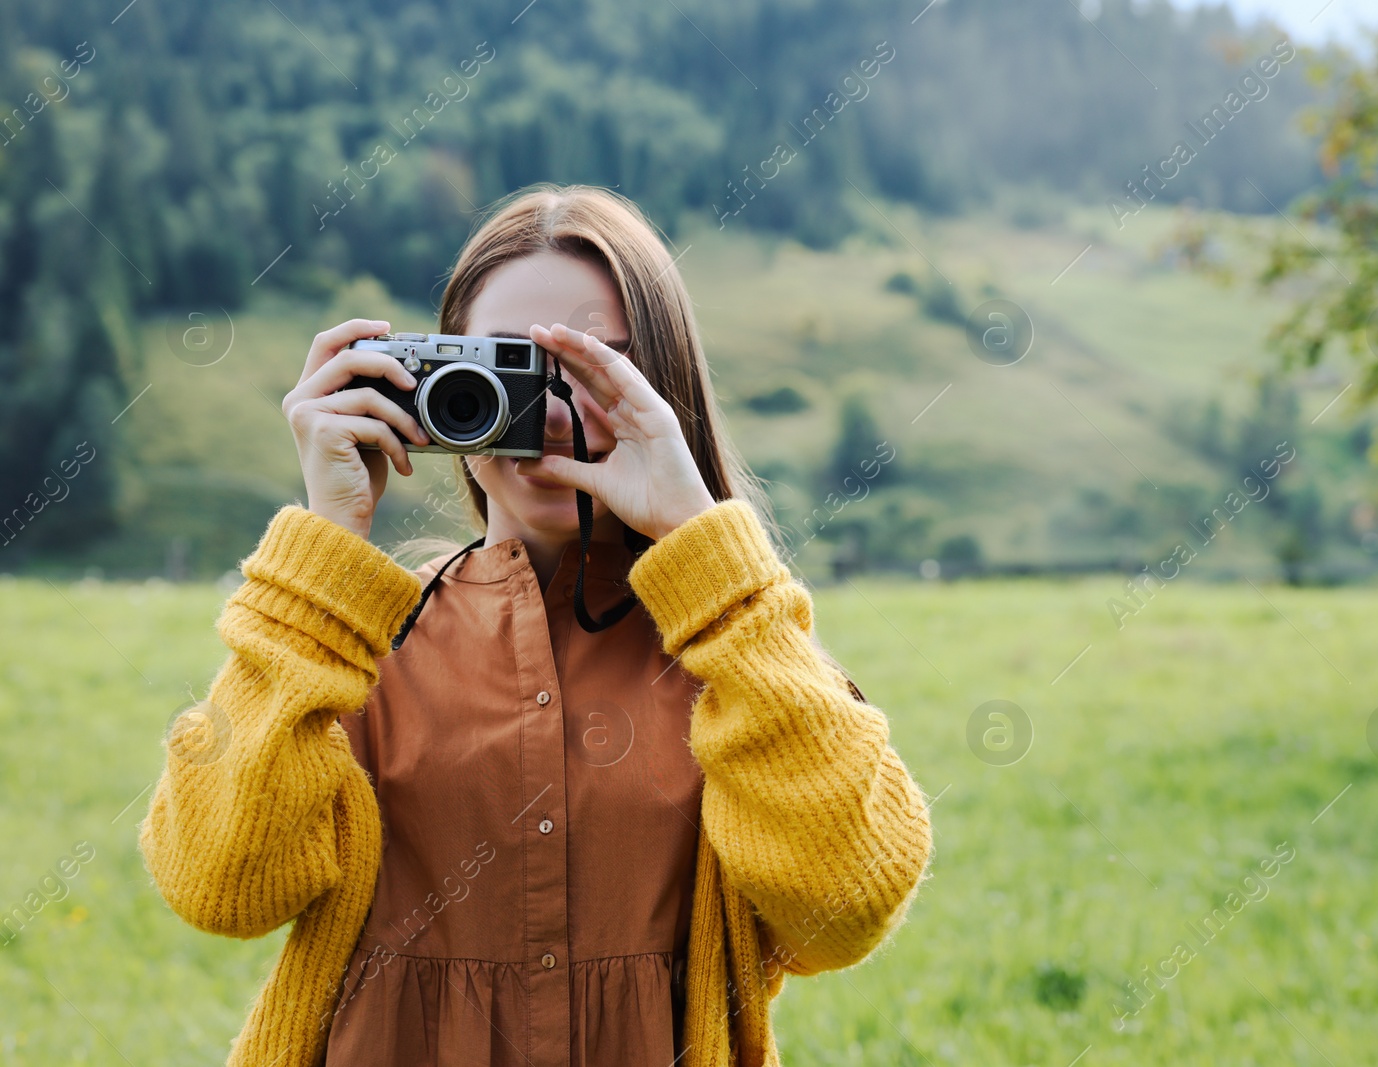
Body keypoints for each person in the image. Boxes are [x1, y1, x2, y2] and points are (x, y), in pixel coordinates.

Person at [137, 183, 933, 1067]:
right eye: (505, 368)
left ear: (663, 393)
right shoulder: (359, 645)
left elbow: (848, 903)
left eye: (595, 369)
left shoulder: (737, 653)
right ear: (436, 380)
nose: (550, 416)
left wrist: (712, 556)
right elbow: (216, 884)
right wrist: (325, 547)